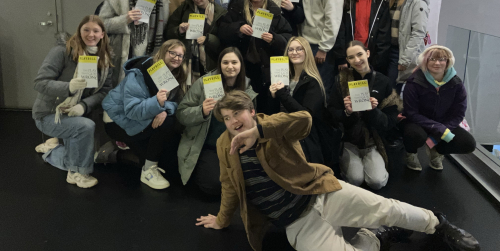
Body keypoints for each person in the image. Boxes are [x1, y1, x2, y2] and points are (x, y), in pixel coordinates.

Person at [195, 91, 480, 251]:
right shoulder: (224, 145)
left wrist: (260, 131)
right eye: (227, 117)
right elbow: (229, 185)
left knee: (387, 207)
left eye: (238, 113)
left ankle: (438, 224)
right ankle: (376, 238)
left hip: (321, 193)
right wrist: (221, 220)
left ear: (252, 112)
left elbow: (304, 120)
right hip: (296, 223)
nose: (233, 121)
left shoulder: (273, 124)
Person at [33, 15, 113, 188]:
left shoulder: (104, 58)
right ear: (79, 31)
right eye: (86, 29)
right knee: (85, 128)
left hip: (78, 112)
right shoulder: (62, 52)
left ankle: (52, 151)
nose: (90, 34)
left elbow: (105, 90)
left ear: (102, 34)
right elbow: (39, 83)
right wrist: (68, 87)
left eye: (95, 31)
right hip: (49, 114)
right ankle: (77, 173)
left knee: (82, 150)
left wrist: (83, 105)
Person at [99, 39, 188, 189]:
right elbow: (132, 110)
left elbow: (177, 104)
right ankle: (148, 170)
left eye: (180, 55)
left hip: (143, 120)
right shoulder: (139, 74)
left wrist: (163, 108)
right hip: (118, 122)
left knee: (167, 163)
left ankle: (116, 152)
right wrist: (157, 104)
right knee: (167, 124)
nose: (176, 58)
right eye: (173, 53)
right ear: (162, 52)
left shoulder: (176, 75)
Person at [176, 47, 257, 195]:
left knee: (250, 183)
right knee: (212, 187)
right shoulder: (204, 83)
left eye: (234, 62)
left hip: (236, 146)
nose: (230, 66)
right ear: (219, 64)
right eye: (225, 62)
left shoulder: (248, 88)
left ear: (241, 65)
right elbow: (181, 113)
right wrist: (201, 111)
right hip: (207, 146)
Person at [327, 41, 400, 190]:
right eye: (351, 57)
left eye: (360, 54)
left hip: (373, 141)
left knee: (377, 182)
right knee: (355, 180)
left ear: (367, 53)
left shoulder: (383, 81)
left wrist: (374, 110)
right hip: (349, 140)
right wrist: (347, 112)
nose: (357, 60)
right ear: (347, 60)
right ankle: (348, 161)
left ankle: (370, 162)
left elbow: (389, 121)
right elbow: (331, 113)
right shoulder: (340, 80)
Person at [219, 0, 292, 114]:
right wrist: (238, 29)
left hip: (266, 70)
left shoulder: (274, 12)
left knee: (267, 107)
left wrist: (274, 39)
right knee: (242, 106)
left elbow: (289, 38)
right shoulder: (237, 9)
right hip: (242, 67)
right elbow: (222, 31)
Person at [402, 45, 476, 171]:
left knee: (468, 144)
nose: (437, 63)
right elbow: (411, 112)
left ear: (448, 62)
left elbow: (459, 113)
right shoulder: (414, 81)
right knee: (414, 135)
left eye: (442, 59)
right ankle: (411, 154)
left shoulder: (456, 84)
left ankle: (438, 151)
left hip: (444, 122)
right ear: (425, 60)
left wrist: (442, 131)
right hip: (418, 122)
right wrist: (437, 128)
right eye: (432, 59)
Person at [100, 0, 168, 86]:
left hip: (149, 53)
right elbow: (102, 24)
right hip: (123, 51)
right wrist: (125, 19)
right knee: (120, 89)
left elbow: (162, 28)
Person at [269, 36, 326, 164]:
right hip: (280, 134)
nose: (294, 53)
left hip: (303, 141)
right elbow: (274, 112)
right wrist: (273, 97)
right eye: (291, 50)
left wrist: (282, 93)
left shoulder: (313, 82)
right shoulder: (282, 79)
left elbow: (305, 116)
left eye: (299, 49)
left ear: (307, 52)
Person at [298, 0, 343, 96]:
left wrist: (324, 48)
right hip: (304, 45)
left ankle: (322, 120)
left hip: (320, 48)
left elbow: (334, 19)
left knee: (321, 90)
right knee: (305, 90)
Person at [164, 0, 227, 85]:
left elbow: (224, 43)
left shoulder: (220, 13)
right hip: (185, 62)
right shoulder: (184, 8)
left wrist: (208, 39)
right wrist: (179, 30)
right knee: (185, 95)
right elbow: (168, 34)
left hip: (210, 65)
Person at [335, 0, 390, 74]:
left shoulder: (381, 3)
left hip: (372, 57)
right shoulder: (345, 0)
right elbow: (340, 30)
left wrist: (377, 61)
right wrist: (342, 58)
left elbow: (383, 36)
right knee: (349, 89)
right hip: (349, 56)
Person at [384, 0, 429, 91]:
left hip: (402, 53)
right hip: (388, 51)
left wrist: (405, 60)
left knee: (393, 90)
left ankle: (395, 111)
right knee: (387, 88)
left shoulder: (417, 2)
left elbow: (418, 33)